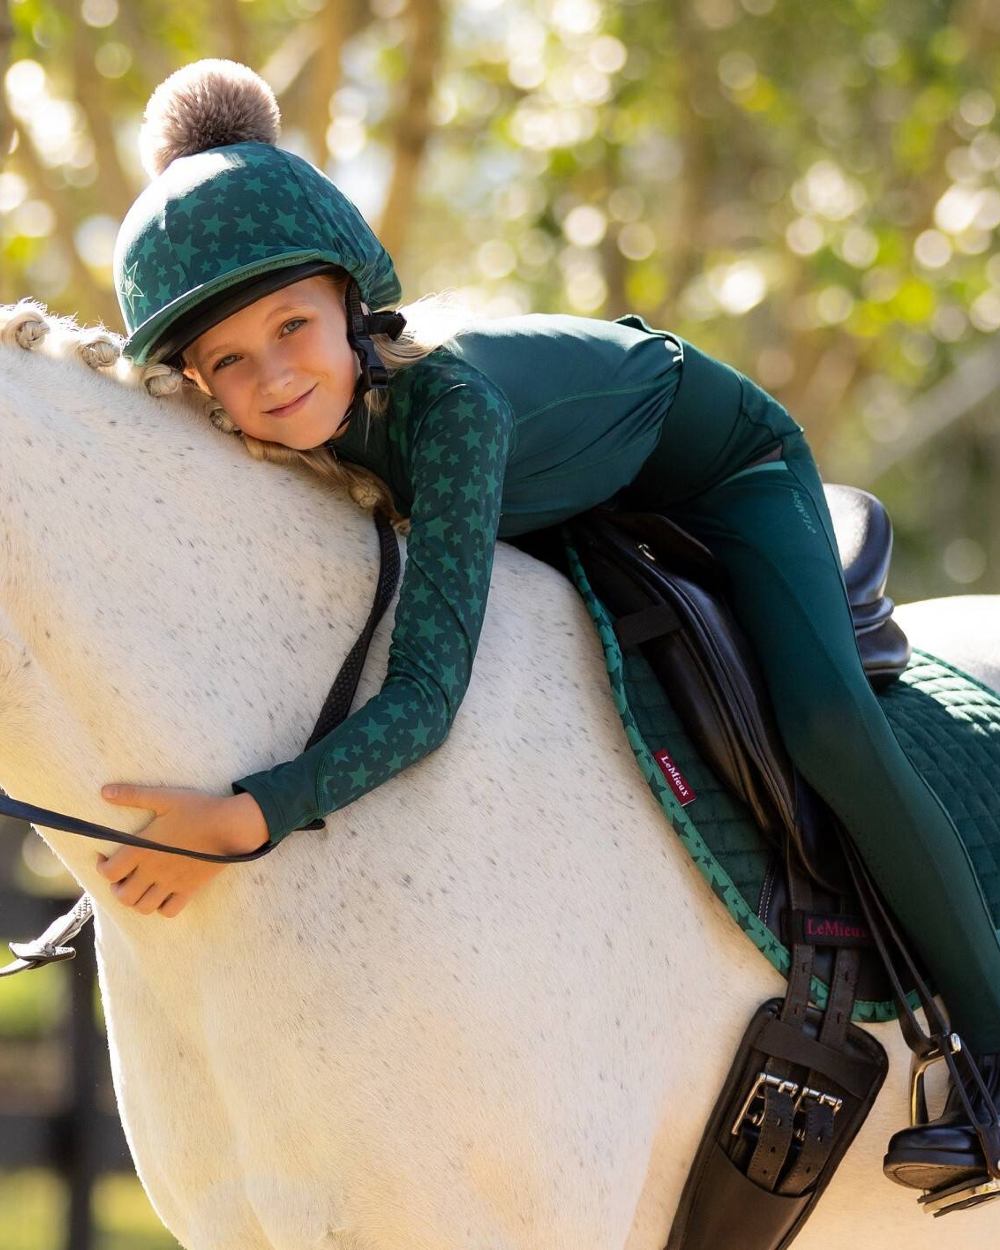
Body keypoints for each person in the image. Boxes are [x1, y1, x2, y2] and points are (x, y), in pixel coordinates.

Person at [102, 58, 999, 1198]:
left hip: (721, 469)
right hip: (574, 487)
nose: (274, 377)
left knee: (825, 721)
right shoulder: (286, 432)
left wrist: (254, 813)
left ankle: (993, 1055)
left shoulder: (450, 408)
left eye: (292, 326)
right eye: (230, 358)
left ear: (351, 305)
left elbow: (426, 697)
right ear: (196, 379)